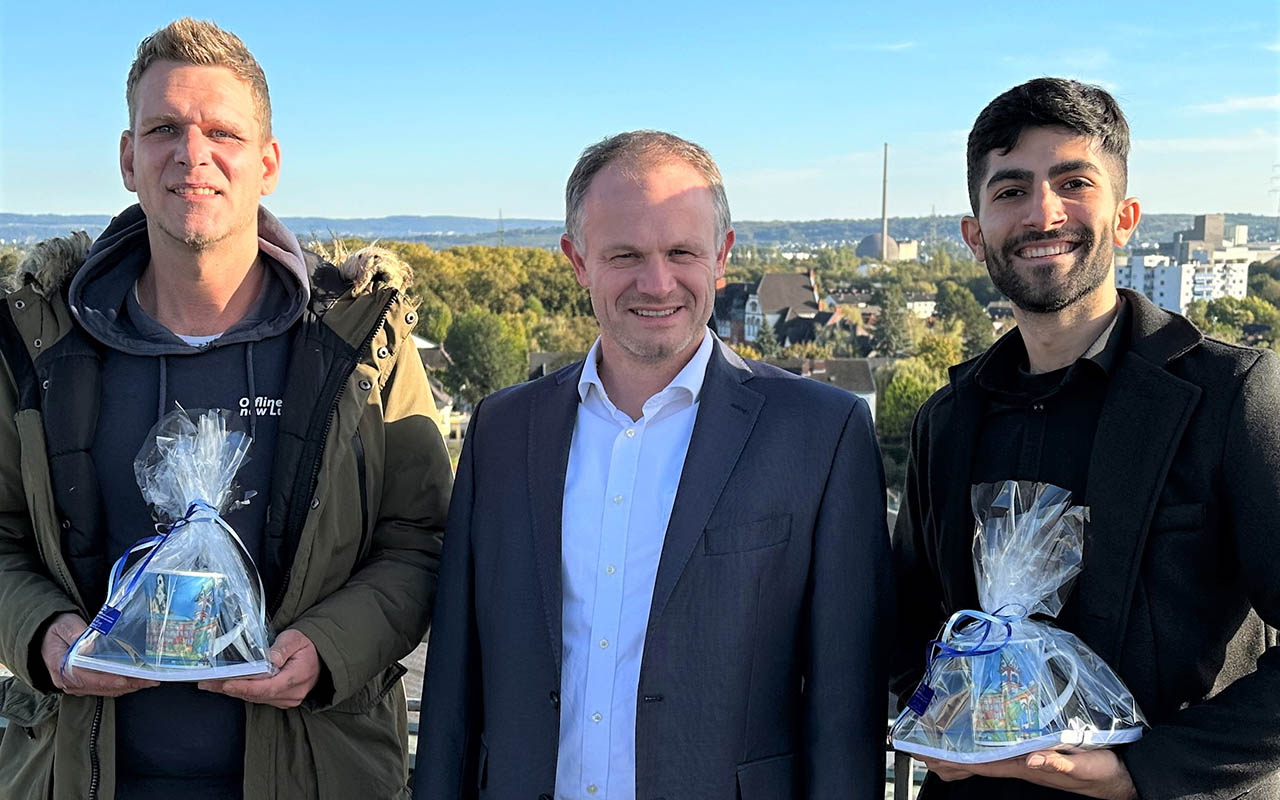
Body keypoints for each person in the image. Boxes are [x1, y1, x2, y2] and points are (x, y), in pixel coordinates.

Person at [0, 18, 451, 799]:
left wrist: (329, 648)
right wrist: (43, 635)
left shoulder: (357, 347)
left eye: (223, 132)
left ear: (268, 162)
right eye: (164, 128)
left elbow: (419, 541)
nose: (192, 154)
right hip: (73, 774)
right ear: (127, 158)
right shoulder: (40, 343)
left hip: (317, 773)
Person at [414, 130, 892, 799]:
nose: (657, 282)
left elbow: (846, 710)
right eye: (625, 255)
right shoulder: (501, 431)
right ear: (577, 260)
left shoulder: (820, 434)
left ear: (722, 256)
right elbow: (454, 685)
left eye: (681, 252)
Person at [891, 77, 1280, 799]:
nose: (1044, 213)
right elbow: (908, 625)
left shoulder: (1234, 396)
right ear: (975, 235)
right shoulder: (945, 419)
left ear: (1126, 217)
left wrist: (1139, 774)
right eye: (1010, 191)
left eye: (1073, 182)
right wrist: (936, 720)